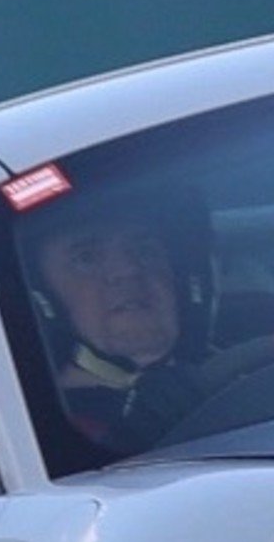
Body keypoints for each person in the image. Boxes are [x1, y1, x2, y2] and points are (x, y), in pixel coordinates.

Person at [21, 186, 217, 467]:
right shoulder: (45, 440)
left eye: (144, 250)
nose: (128, 270)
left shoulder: (251, 347)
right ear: (44, 300)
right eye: (86, 258)